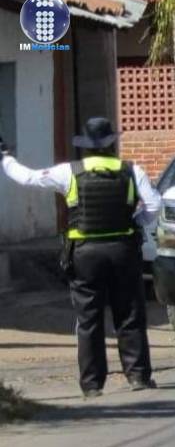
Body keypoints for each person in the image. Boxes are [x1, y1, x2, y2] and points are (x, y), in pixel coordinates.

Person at [0, 118, 160, 398]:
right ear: (112, 143)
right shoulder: (132, 170)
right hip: (123, 249)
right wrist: (135, 221)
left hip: (85, 253)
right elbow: (154, 205)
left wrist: (5, 158)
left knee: (89, 319)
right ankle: (138, 376)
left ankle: (92, 385)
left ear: (85, 146)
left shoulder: (68, 172)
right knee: (130, 313)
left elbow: (28, 178)